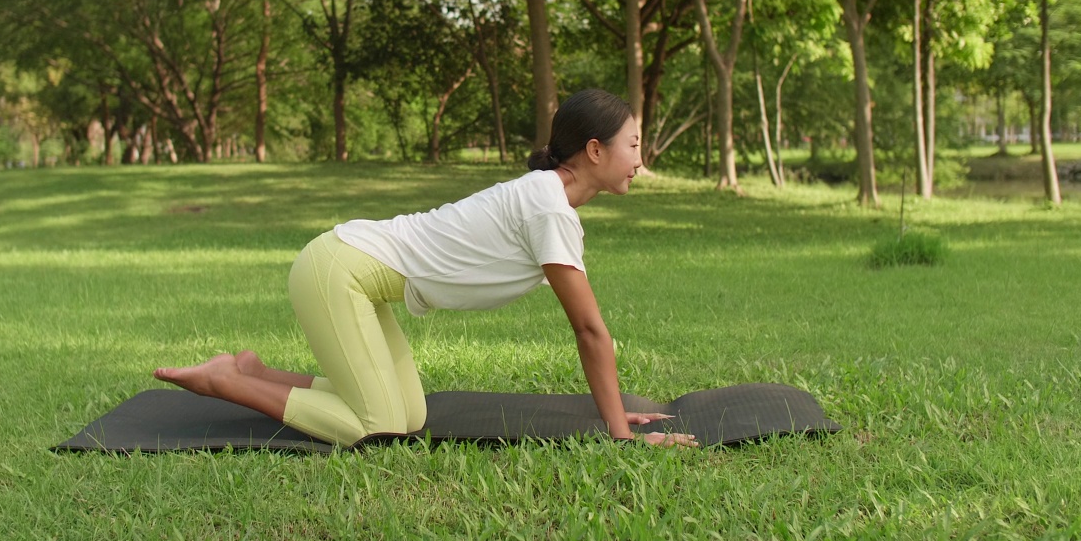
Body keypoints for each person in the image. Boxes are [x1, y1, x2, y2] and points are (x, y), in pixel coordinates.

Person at [154, 89, 697, 448]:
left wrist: (616, 418)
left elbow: (588, 329)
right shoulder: (548, 206)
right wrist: (619, 431)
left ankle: (256, 372)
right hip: (340, 270)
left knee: (411, 416)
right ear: (595, 150)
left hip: (358, 276)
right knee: (378, 427)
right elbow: (590, 330)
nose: (641, 161)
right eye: (634, 146)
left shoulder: (548, 200)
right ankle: (224, 381)